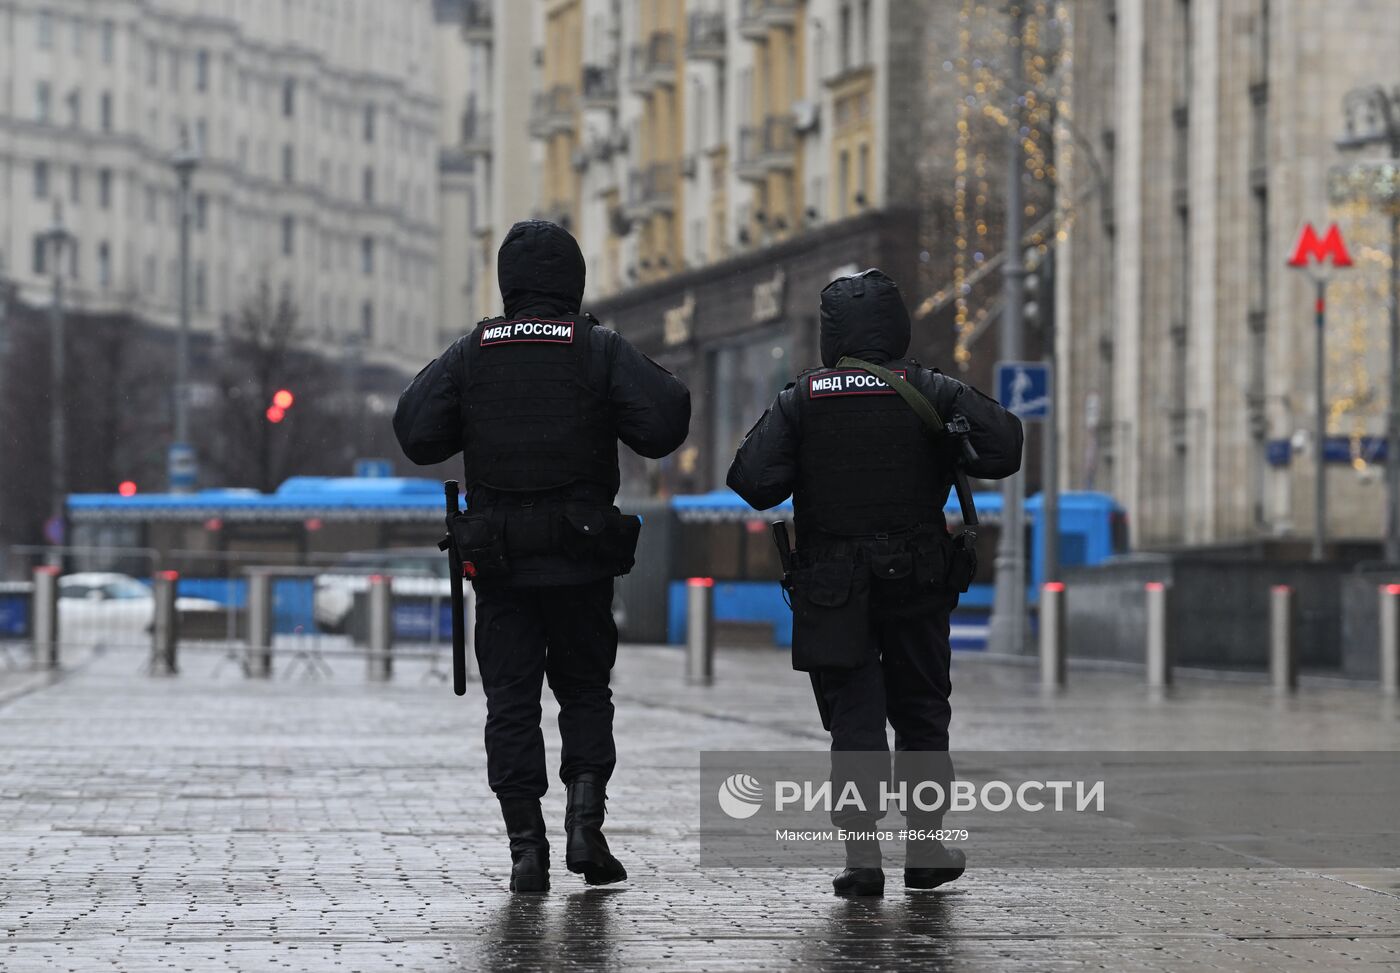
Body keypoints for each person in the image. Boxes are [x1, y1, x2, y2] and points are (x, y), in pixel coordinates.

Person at [393, 220, 691, 893]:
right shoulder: (596, 348)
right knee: (585, 692)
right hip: (580, 563)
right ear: (573, 281)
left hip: (500, 567)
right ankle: (587, 825)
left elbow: (416, 430)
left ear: (508, 284)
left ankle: (526, 849)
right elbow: (667, 420)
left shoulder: (472, 351)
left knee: (511, 704)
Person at [726, 268, 1022, 897]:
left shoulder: (802, 398)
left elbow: (752, 482)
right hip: (916, 579)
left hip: (832, 588)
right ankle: (925, 848)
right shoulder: (930, 389)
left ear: (831, 334)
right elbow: (1004, 449)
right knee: (921, 713)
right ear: (897, 326)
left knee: (853, 721)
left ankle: (862, 859)